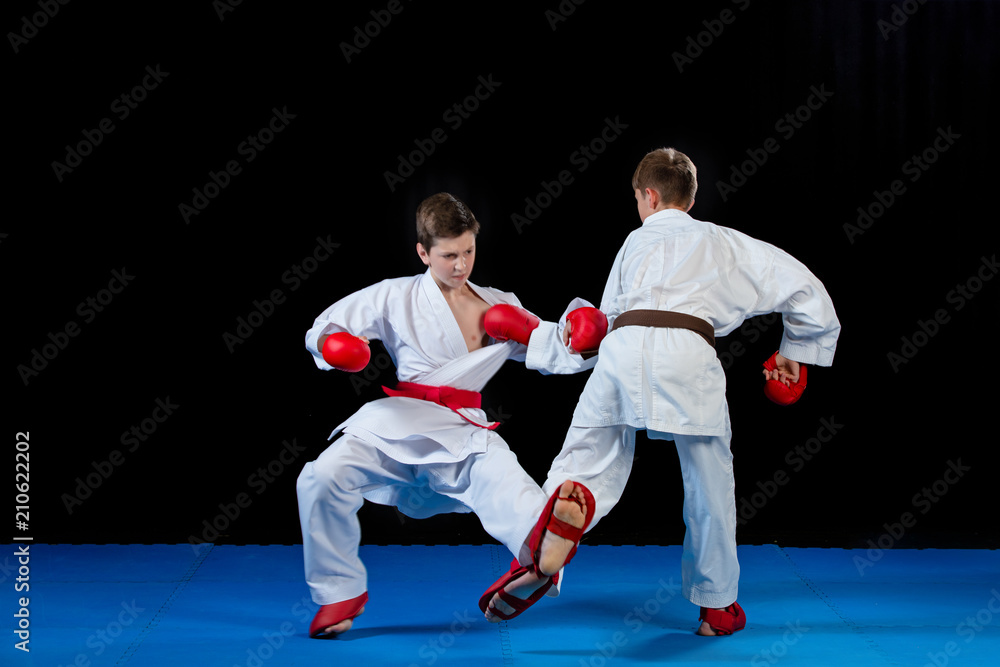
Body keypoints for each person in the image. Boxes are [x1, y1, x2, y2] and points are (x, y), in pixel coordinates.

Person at [527, 147, 841, 635]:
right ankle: (717, 608)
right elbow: (803, 285)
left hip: (624, 349)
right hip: (688, 355)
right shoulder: (724, 242)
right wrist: (794, 352)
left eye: (636, 198)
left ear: (648, 196)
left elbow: (603, 322)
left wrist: (575, 340)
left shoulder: (633, 243)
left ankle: (540, 551)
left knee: (585, 455)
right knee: (709, 482)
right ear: (689, 199)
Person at [296, 193, 607, 638]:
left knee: (507, 484)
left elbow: (557, 347)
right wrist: (333, 345)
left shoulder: (498, 302)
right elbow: (327, 324)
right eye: (448, 255)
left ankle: (541, 556)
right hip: (399, 423)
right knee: (319, 477)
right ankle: (339, 594)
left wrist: (582, 333)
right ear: (423, 253)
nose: (461, 265)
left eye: (468, 251)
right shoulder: (395, 295)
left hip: (463, 430)